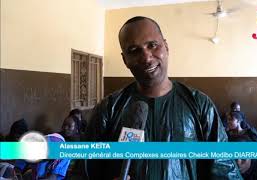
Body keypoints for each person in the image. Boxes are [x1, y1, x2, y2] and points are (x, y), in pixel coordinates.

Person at [86, 16, 241, 179]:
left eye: (152, 45)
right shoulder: (108, 109)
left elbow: (224, 169)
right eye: (134, 51)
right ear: (125, 60)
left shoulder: (200, 105)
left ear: (166, 47)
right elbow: (86, 171)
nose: (146, 58)